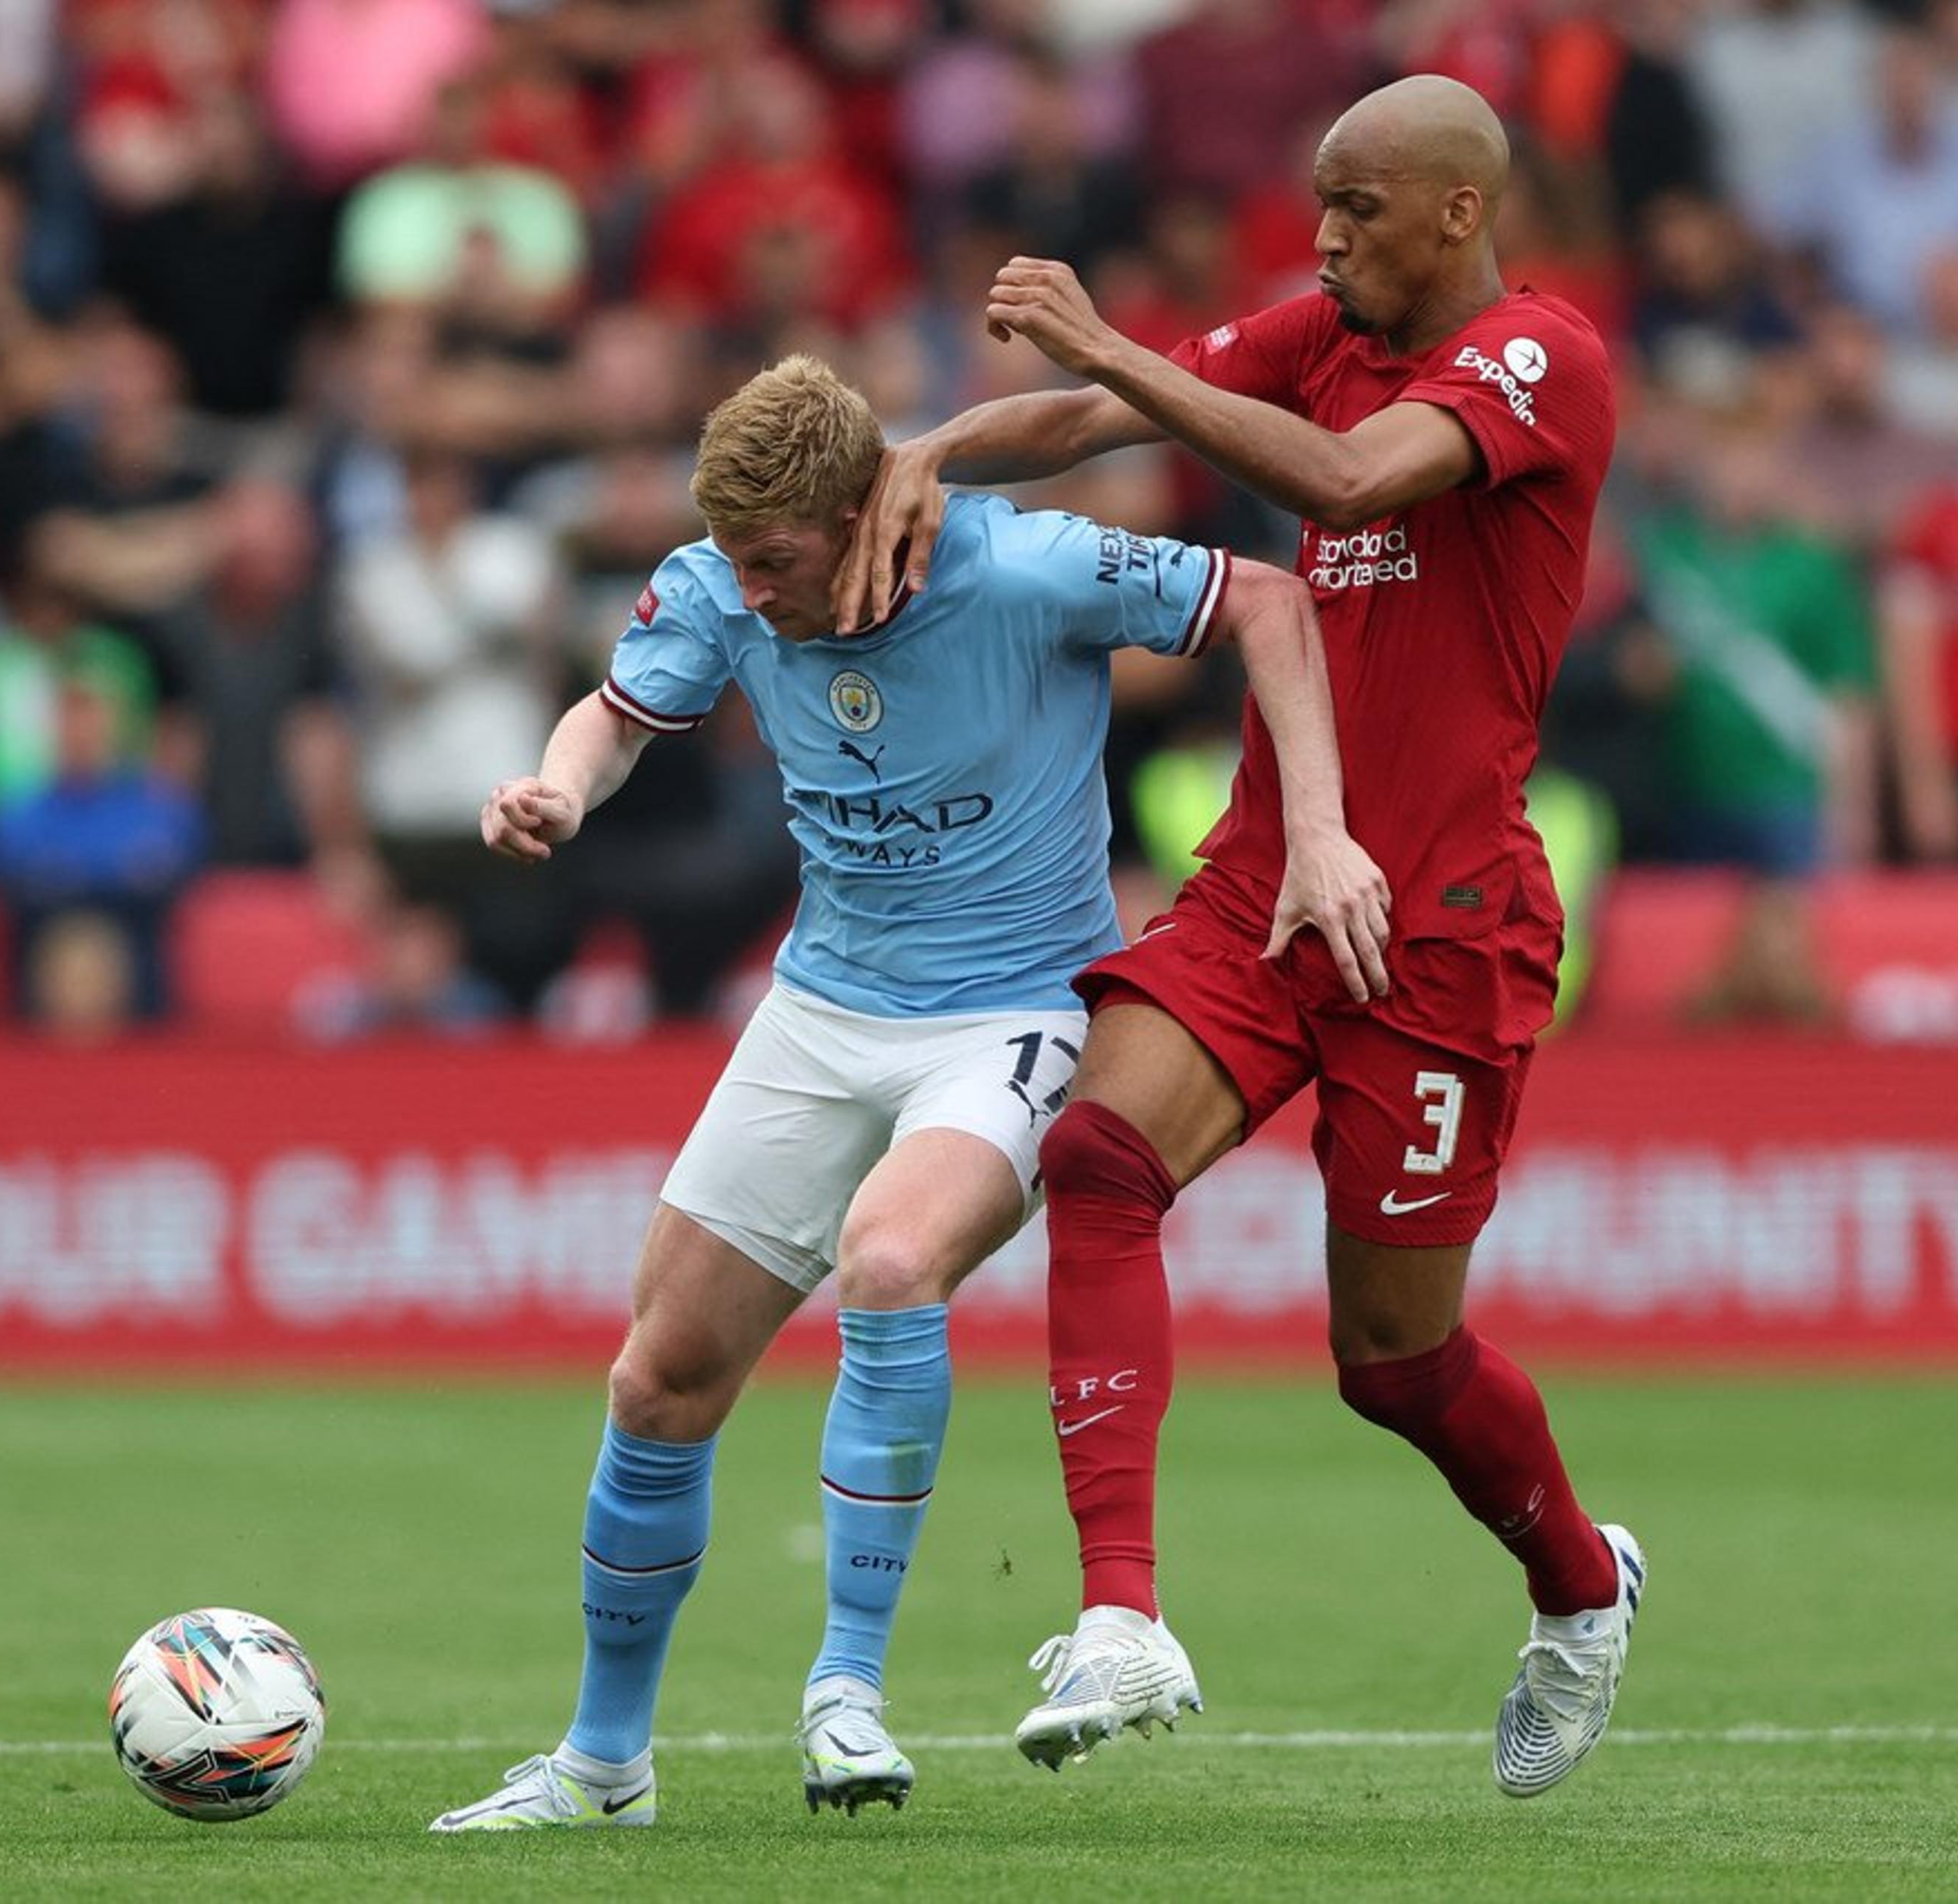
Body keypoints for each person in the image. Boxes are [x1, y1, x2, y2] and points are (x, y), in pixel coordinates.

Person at [430, 354, 1384, 1830]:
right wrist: (559, 782)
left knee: (890, 1258)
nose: (747, 593)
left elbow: (1267, 594)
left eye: (776, 561)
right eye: (733, 559)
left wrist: (1315, 830)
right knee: (657, 1376)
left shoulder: (1024, 565)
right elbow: (612, 717)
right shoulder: (717, 582)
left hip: (1012, 1011)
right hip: (824, 1007)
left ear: (868, 509)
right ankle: (603, 1763)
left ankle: (846, 1689)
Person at [835, 74, 1643, 1798]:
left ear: (1453, 213)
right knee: (1104, 1151)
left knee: (1395, 1363)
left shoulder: (1538, 357)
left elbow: (1346, 474)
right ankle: (1122, 1612)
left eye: (1356, 208)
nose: (1326, 235)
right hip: (1272, 874)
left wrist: (1120, 349)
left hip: (1437, 922)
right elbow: (1103, 423)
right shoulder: (1325, 327)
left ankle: (1581, 1587)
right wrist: (932, 453)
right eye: (1319, 204)